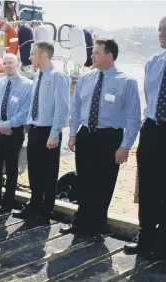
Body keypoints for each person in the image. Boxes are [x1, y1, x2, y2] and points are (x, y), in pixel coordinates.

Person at [62, 38, 142, 242]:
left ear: (110, 56)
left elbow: (134, 118)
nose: (92, 56)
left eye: (96, 53)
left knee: (104, 184)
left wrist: (125, 146)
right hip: (86, 135)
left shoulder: (127, 82)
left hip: (110, 137)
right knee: (84, 180)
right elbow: (76, 107)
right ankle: (80, 223)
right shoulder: (86, 79)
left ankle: (96, 227)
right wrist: (72, 133)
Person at [12, 41, 70, 224]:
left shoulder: (58, 76)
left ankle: (46, 211)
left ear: (43, 55)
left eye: (32, 54)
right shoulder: (38, 76)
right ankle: (34, 205)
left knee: (48, 172)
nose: (30, 57)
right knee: (35, 171)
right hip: (35, 130)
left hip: (48, 132)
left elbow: (62, 107)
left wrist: (55, 133)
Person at [124, 16, 166, 257]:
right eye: (159, 28)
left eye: (165, 29)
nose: (161, 33)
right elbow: (151, 98)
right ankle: (146, 235)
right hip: (152, 129)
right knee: (148, 187)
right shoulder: (152, 63)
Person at [0, 53, 32, 212]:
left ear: (17, 64)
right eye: (5, 63)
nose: (8, 65)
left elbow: (25, 110)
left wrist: (8, 124)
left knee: (11, 168)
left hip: (14, 132)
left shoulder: (28, 85)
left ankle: (8, 202)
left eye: (11, 62)